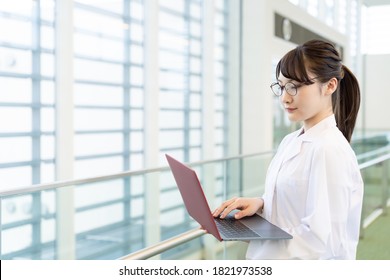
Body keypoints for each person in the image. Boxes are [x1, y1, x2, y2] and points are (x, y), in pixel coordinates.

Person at [213, 39, 364, 260]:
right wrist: (262, 204)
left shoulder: (329, 149)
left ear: (330, 86)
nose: (285, 97)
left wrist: (263, 253)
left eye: (295, 86)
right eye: (282, 86)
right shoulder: (291, 141)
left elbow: (321, 243)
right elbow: (298, 204)